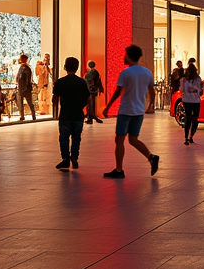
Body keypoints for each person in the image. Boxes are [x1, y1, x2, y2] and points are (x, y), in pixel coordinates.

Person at [102, 45, 159, 178]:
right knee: (133, 139)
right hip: (139, 111)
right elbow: (152, 90)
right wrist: (150, 105)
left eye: (125, 54)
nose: (124, 57)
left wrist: (107, 107)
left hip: (126, 111)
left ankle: (119, 170)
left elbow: (118, 92)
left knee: (119, 140)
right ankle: (151, 157)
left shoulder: (126, 73)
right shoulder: (147, 72)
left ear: (129, 56)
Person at [52, 56, 91, 170]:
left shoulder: (60, 82)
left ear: (65, 67)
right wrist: (81, 107)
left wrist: (55, 109)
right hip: (78, 115)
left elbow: (55, 98)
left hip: (65, 115)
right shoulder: (81, 82)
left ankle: (65, 159)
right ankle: (74, 157)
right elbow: (87, 99)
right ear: (77, 67)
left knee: (64, 138)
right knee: (76, 137)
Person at [180, 63, 202, 145]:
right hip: (196, 101)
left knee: (188, 119)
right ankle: (191, 136)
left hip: (186, 100)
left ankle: (186, 138)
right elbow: (200, 91)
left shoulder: (183, 80)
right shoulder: (198, 79)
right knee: (195, 119)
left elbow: (182, 90)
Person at [16, 54, 36, 121]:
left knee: (29, 102)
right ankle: (23, 116)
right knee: (22, 103)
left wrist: (25, 87)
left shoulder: (25, 68)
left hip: (25, 88)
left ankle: (32, 115)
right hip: (22, 87)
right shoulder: (23, 67)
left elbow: (26, 78)